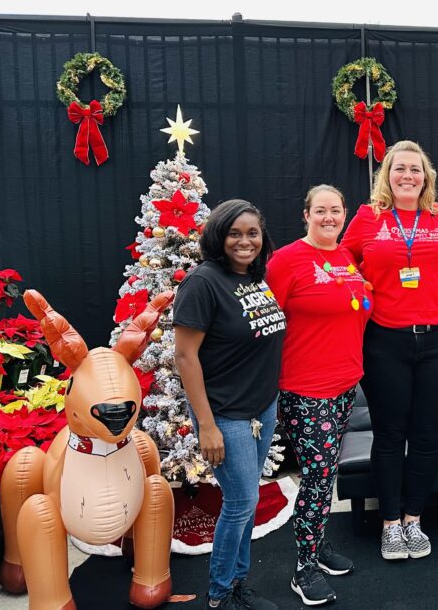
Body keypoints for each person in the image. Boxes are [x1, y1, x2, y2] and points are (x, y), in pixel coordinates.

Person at [341, 140, 438, 560]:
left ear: (426, 176)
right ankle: (390, 523)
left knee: (427, 435)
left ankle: (414, 519)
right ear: (387, 176)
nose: (408, 176)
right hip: (386, 342)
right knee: (391, 435)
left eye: (415, 169)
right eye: (399, 169)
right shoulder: (367, 217)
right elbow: (341, 263)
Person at [174, 199, 286, 610]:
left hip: (261, 409)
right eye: (235, 233)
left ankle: (239, 582)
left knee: (247, 500)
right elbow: (185, 357)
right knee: (240, 503)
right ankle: (221, 593)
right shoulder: (203, 282)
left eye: (252, 233)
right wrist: (206, 425)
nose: (245, 241)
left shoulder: (255, 278)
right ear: (218, 237)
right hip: (225, 414)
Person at [266, 185, 370, 606]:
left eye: (336, 210)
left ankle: (319, 546)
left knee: (325, 473)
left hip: (346, 383)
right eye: (320, 211)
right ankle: (303, 568)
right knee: (317, 476)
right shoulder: (287, 260)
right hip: (306, 389)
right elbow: (266, 324)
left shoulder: (346, 257)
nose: (329, 217)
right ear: (305, 214)